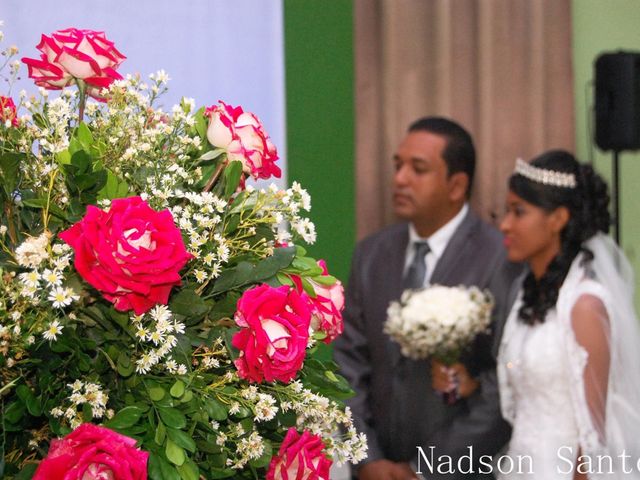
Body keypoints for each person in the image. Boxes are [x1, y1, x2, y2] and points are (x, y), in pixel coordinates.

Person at [334, 117, 521, 480]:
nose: (400, 178)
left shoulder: (499, 258)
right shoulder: (371, 254)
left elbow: (504, 382)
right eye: (397, 165)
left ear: (456, 185)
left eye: (417, 169)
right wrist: (367, 457)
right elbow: (348, 364)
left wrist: (424, 470)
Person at [497, 150, 640, 479]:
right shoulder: (528, 296)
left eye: (519, 212)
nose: (505, 224)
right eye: (505, 211)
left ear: (557, 220)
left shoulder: (586, 306)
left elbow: (593, 440)